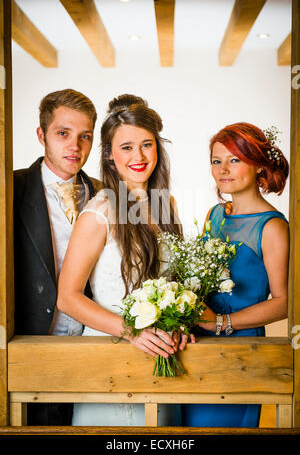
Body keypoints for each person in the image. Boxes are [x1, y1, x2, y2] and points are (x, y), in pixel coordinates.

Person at [57, 94, 186, 426]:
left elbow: (175, 281)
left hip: (164, 355)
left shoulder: (165, 203)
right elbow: (67, 297)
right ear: (109, 155)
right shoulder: (99, 211)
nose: (139, 156)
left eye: (146, 144)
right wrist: (132, 331)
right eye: (126, 147)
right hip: (111, 353)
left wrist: (180, 324)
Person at [182, 122, 289, 428]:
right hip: (195, 344)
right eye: (217, 161)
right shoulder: (214, 214)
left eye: (234, 160)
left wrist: (222, 323)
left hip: (240, 348)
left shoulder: (272, 227)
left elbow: (283, 302)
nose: (223, 170)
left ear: (258, 165)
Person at [13, 88, 100, 425]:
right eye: (63, 133)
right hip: (31, 346)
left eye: (84, 136)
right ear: (41, 135)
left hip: (92, 348)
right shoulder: (12, 187)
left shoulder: (105, 192)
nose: (74, 146)